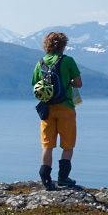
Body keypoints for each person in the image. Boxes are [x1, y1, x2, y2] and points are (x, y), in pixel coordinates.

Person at [33, 31, 82, 188]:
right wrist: (69, 82)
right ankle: (63, 178)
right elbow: (78, 83)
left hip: (46, 108)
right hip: (66, 106)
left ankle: (46, 180)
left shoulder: (40, 63)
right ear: (63, 45)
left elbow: (35, 83)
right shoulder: (67, 61)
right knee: (67, 145)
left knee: (47, 145)